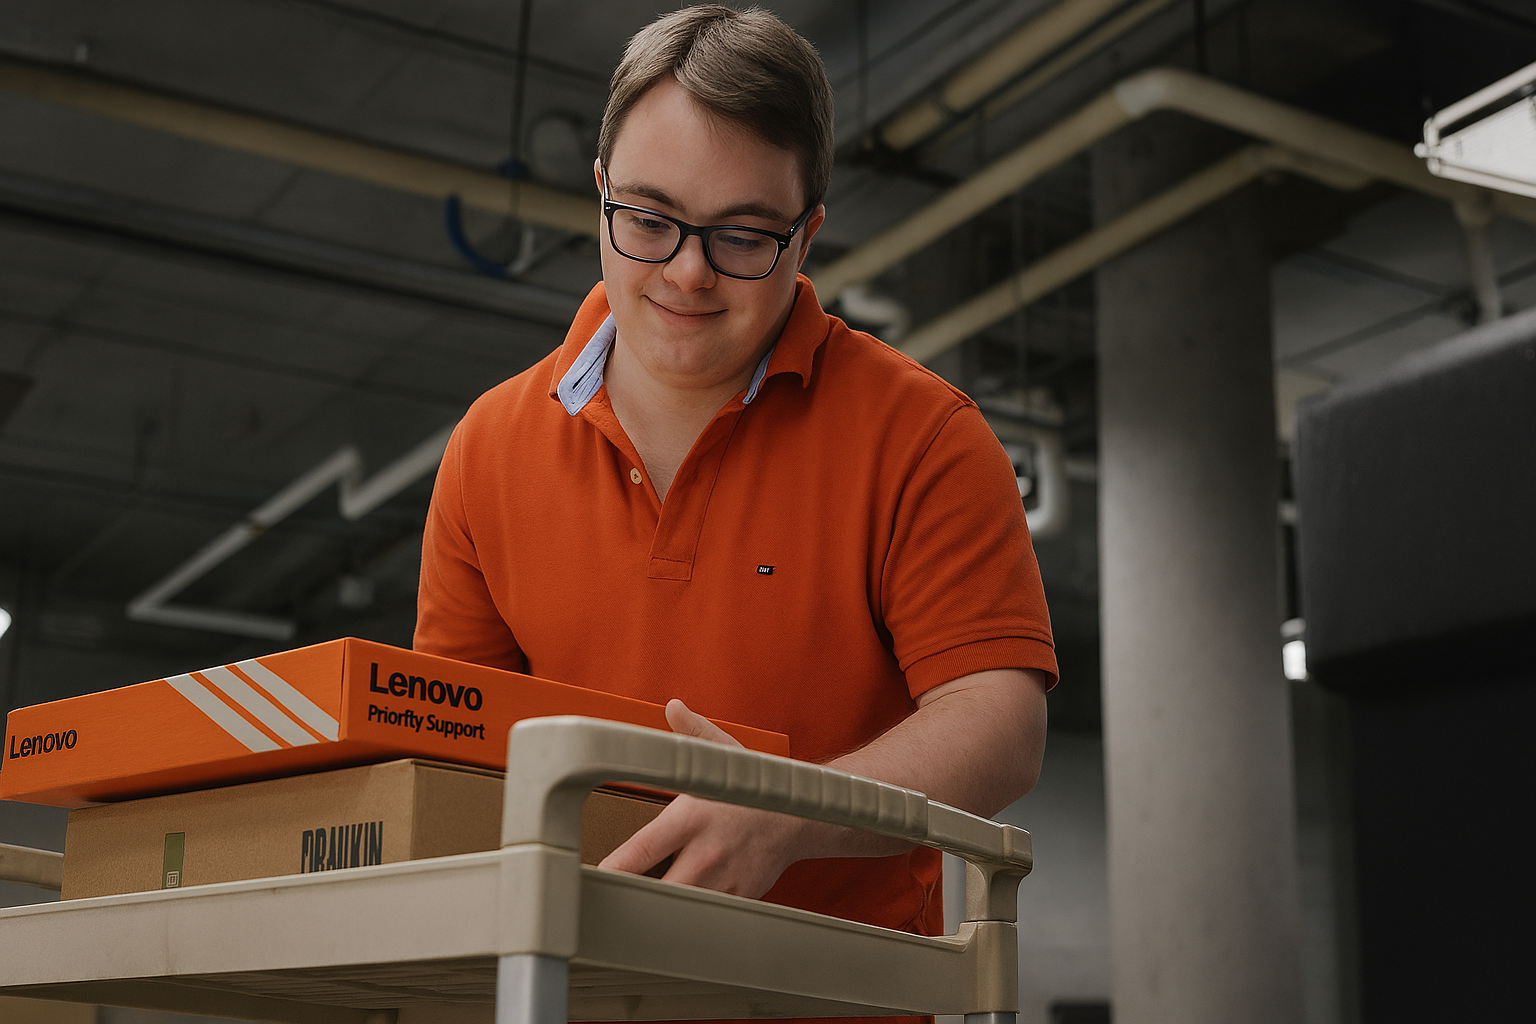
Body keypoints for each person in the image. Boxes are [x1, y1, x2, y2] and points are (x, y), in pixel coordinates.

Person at [414, 4, 1056, 940]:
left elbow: (1001, 722)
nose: (685, 273)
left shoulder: (923, 437)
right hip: (565, 985)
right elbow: (447, 738)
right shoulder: (488, 449)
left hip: (830, 1001)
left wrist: (793, 813)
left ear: (806, 237)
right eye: (649, 218)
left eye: (742, 237)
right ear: (599, 192)